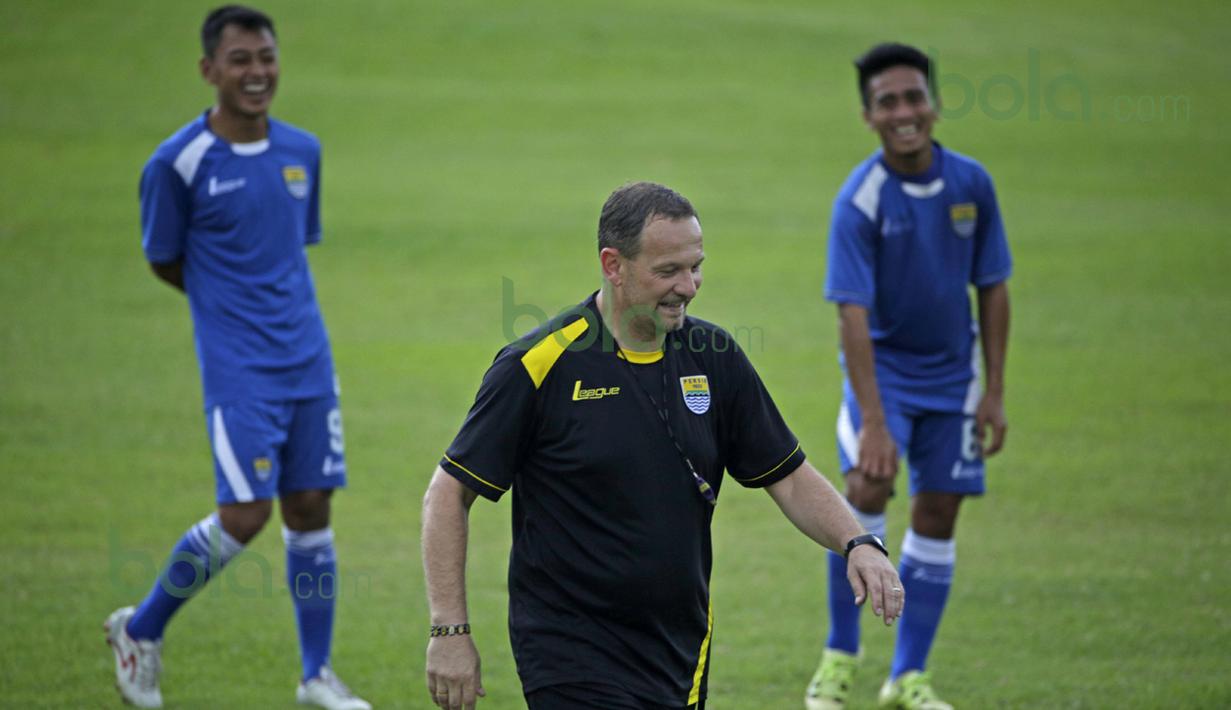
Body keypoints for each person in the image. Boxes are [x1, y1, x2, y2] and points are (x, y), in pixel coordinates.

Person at [420, 181, 905, 710]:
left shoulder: (713, 355)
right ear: (613, 264)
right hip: (569, 651)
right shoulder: (539, 365)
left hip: (681, 649)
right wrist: (450, 632)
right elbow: (448, 493)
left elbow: (785, 475)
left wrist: (858, 542)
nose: (690, 286)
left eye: (696, 266)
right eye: (668, 271)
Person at [104, 6, 370, 709]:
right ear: (208, 70)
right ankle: (142, 628)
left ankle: (316, 675)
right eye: (240, 60)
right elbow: (164, 257)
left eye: (266, 58)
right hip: (239, 368)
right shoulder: (176, 164)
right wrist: (226, 308)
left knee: (311, 508)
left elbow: (286, 248)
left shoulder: (301, 151)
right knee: (245, 515)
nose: (257, 73)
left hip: (308, 358)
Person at [804, 43, 1012, 710]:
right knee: (866, 483)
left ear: (933, 102)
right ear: (867, 116)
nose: (903, 112)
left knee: (939, 508)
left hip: (955, 378)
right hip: (884, 374)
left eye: (912, 97)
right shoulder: (859, 200)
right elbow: (850, 317)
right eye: (887, 102)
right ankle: (839, 659)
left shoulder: (971, 184)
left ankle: (907, 676)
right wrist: (872, 419)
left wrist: (996, 392)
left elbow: (993, 288)